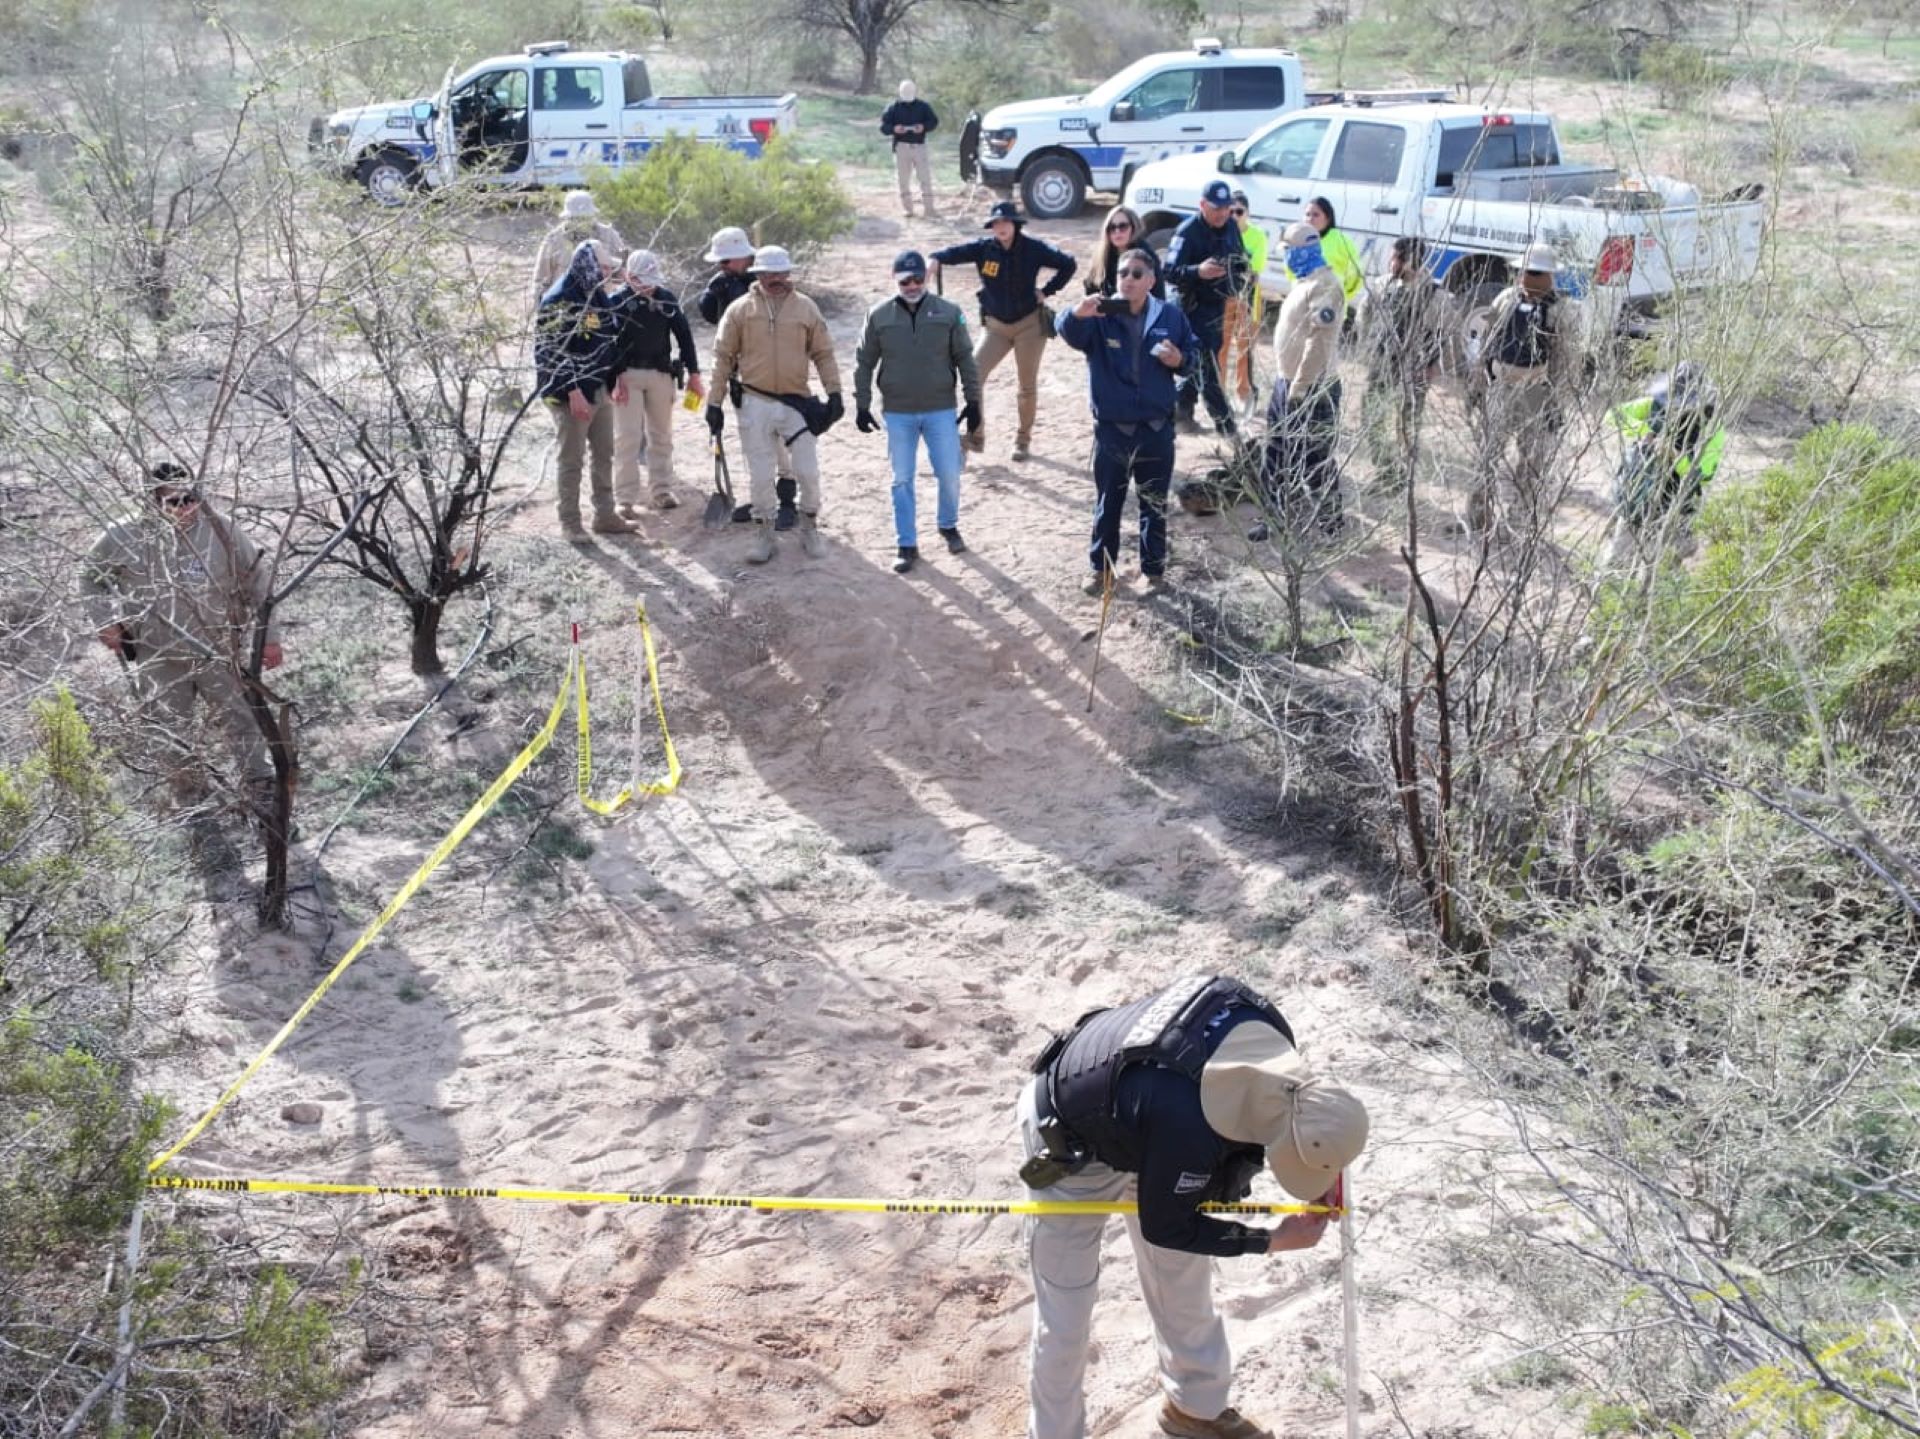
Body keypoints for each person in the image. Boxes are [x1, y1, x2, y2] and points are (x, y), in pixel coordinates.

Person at [1017, 972, 1370, 1439]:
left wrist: (1323, 1165)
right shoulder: (1190, 1123)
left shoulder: (1281, 1053)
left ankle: (1194, 1411)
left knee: (1180, 1277)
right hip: (1069, 1138)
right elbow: (1170, 1226)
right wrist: (1271, 1241)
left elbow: (1302, 1119)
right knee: (1066, 1316)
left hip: (1144, 1116)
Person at [82, 464, 285, 815]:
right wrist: (105, 622)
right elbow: (88, 578)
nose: (185, 507)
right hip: (158, 654)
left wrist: (269, 637)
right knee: (170, 729)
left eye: (191, 497)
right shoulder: (122, 535)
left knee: (241, 720)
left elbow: (258, 583)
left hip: (219, 650)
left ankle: (260, 788)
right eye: (173, 501)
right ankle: (192, 799)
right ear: (151, 501)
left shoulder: (223, 529)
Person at [1057, 249, 1195, 596]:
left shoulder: (1170, 316)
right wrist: (1077, 312)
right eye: (1123, 273)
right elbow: (1065, 330)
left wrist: (1179, 359)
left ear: (1151, 280)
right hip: (1113, 431)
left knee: (1154, 504)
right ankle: (1100, 571)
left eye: (1137, 273)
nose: (1128, 279)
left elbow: (1191, 360)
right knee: (1109, 504)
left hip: (1155, 430)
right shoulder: (1101, 314)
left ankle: (1153, 572)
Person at [706, 245, 844, 563]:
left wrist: (834, 393)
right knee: (760, 475)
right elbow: (723, 358)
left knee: (807, 472)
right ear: (758, 274)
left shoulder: (806, 309)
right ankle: (764, 535)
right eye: (770, 273)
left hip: (798, 403)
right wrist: (714, 402)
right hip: (754, 402)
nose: (776, 279)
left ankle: (809, 527)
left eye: (782, 273)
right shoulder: (740, 310)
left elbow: (823, 353)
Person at [853, 250, 983, 575]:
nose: (912, 285)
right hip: (898, 412)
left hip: (941, 408)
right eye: (905, 280)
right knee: (901, 480)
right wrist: (862, 404)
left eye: (918, 279)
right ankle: (906, 544)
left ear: (925, 278)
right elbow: (864, 361)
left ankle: (948, 525)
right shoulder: (878, 315)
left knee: (950, 474)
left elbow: (965, 358)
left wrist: (974, 402)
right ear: (893, 278)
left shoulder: (949, 313)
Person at [929, 200, 1077, 462]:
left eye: (1005, 221)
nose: (1001, 227)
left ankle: (1022, 440)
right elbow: (954, 253)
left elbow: (1068, 264)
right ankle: (974, 437)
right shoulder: (984, 249)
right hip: (996, 326)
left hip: (1029, 326)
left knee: (1026, 385)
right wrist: (935, 258)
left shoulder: (1034, 248)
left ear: (1015, 224)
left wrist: (1046, 291)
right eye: (996, 223)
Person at [1468, 241, 1584, 536]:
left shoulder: (1562, 311)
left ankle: (1518, 523)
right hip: (1501, 387)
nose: (1527, 279)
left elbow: (1567, 361)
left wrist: (1556, 402)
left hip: (1536, 391)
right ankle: (1477, 519)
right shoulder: (1506, 299)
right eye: (1524, 272)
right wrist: (1479, 381)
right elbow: (1486, 339)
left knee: (1531, 463)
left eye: (1535, 273)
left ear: (1549, 276)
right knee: (1486, 455)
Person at [535, 239, 640, 541]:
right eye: (604, 267)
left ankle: (605, 516)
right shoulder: (558, 300)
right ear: (589, 265)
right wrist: (573, 391)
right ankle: (570, 522)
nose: (608, 273)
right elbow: (551, 353)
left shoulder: (598, 296)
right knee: (571, 460)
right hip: (568, 394)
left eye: (610, 268)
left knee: (604, 453)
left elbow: (610, 339)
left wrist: (617, 376)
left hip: (598, 388)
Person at [1249, 221, 1346, 543]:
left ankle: (1332, 526)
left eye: (1289, 251)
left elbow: (1319, 342)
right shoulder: (1305, 283)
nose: (1286, 258)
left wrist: (1300, 389)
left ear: (1304, 251)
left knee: (1315, 458)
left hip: (1311, 389)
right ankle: (1272, 518)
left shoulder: (1326, 286)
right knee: (1275, 454)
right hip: (1287, 383)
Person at [697, 225, 798, 530]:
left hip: (774, 376)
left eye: (726, 262)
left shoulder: (768, 281)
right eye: (721, 263)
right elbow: (713, 323)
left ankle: (787, 501)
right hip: (742, 377)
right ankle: (761, 498)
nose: (722, 267)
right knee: (753, 441)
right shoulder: (724, 285)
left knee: (779, 440)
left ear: (743, 257)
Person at [605, 249, 704, 521]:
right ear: (628, 276)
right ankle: (625, 498)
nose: (647, 286)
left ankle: (661, 490)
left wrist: (694, 374)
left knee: (661, 435)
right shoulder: (617, 302)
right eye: (641, 280)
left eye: (650, 280)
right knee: (628, 438)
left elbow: (684, 337)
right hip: (627, 376)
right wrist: (613, 380)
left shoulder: (666, 299)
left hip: (660, 373)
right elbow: (607, 345)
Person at [1606, 361, 1725, 563]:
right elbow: (1613, 415)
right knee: (1616, 563)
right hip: (1638, 498)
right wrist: (1646, 432)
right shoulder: (1654, 405)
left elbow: (1704, 475)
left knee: (1661, 571)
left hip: (1675, 508)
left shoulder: (1712, 426)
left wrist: (1675, 456)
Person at [1359, 237, 1448, 486]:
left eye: (1396, 258)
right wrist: (1371, 349)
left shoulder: (1433, 295)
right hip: (1381, 365)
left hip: (1412, 371)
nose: (1391, 262)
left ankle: (1402, 478)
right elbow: (1365, 317)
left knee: (1406, 426)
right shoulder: (1382, 285)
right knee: (1372, 418)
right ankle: (1385, 470)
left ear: (1410, 261)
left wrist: (1428, 368)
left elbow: (1439, 335)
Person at [1163, 180, 1245, 440]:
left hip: (1219, 307)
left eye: (1226, 208)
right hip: (1191, 309)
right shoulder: (1187, 232)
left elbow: (1240, 258)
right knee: (1208, 369)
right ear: (1202, 205)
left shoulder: (1231, 226)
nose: (1222, 213)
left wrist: (1241, 276)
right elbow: (1168, 272)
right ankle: (1227, 428)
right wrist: (1197, 271)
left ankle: (1180, 414)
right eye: (1215, 208)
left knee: (1198, 365)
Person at [530, 191, 625, 312]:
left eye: (584, 217)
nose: (580, 222)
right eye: (576, 218)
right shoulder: (553, 240)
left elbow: (624, 272)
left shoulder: (609, 235)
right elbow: (540, 280)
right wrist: (540, 310)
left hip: (602, 304)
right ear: (567, 217)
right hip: (564, 306)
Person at [1220, 189, 1270, 413]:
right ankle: (1219, 392)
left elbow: (1254, 270)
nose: (1234, 216)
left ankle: (1244, 392)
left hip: (1248, 296)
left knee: (1244, 346)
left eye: (1239, 211)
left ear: (1247, 213)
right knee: (1221, 345)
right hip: (1223, 295)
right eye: (1230, 211)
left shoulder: (1257, 236)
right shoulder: (1219, 233)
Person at [880, 79, 940, 218]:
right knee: (903, 180)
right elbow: (883, 126)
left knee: (925, 178)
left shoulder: (923, 106)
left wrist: (923, 127)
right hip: (902, 147)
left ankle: (929, 208)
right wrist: (894, 129)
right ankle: (908, 209)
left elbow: (933, 122)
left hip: (919, 146)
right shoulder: (893, 107)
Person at [1288, 196, 1363, 306]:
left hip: (1331, 306)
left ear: (1328, 218)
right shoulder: (1298, 239)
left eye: (1316, 215)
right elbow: (1290, 271)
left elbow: (1356, 274)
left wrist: (1341, 296)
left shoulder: (1341, 240)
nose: (1310, 219)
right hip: (1302, 304)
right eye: (1307, 214)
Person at [1082, 205, 1162, 300]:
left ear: (1133, 228)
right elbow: (1091, 289)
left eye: (1123, 226)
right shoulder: (1102, 254)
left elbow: (1159, 296)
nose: (1117, 231)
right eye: (1112, 227)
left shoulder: (1146, 256)